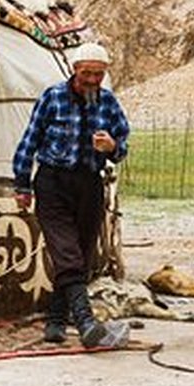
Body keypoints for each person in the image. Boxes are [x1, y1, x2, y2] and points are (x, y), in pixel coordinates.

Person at [12, 42, 131, 347]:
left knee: (81, 253)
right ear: (74, 70)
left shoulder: (107, 103)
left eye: (99, 74)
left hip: (89, 184)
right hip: (52, 183)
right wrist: (22, 184)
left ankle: (55, 320)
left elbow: (124, 141)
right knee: (66, 252)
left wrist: (113, 148)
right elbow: (30, 140)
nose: (92, 80)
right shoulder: (53, 97)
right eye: (87, 73)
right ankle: (86, 321)